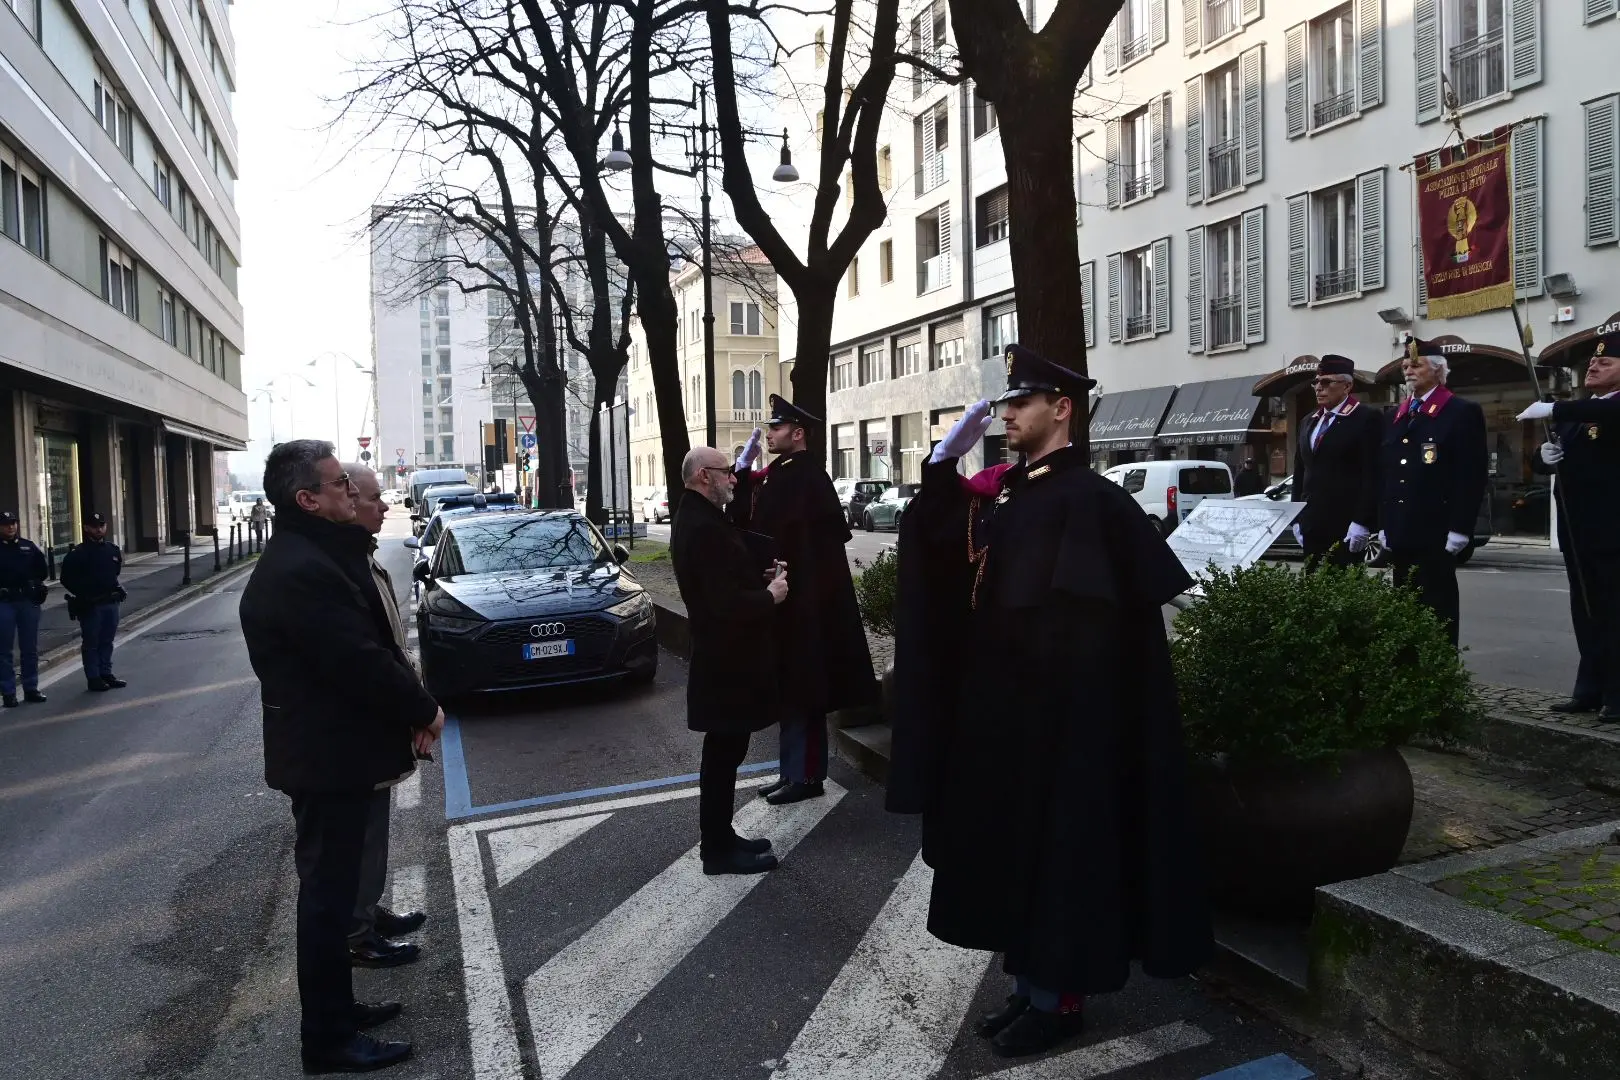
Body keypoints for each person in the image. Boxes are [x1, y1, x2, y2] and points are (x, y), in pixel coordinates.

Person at [888, 344, 1211, 1059]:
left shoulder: (1092, 501)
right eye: (1005, 403)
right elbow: (939, 549)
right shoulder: (1013, 494)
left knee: (1065, 856)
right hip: (1010, 720)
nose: (1006, 415)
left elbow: (1102, 635)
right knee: (1020, 853)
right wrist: (941, 466)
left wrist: (1068, 711)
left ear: (1061, 409)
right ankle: (1029, 983)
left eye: (1020, 403)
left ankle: (1059, 1001)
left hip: (1069, 725)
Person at [239, 440, 444, 1075]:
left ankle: (338, 1014)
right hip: (328, 760)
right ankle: (328, 1039)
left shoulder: (316, 554)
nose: (352, 492)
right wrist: (423, 710)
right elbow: (359, 660)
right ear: (307, 499)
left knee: (332, 899)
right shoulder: (302, 570)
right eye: (339, 485)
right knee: (327, 904)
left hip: (336, 754)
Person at [729, 394, 877, 805]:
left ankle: (807, 775)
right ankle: (791, 771)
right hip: (787, 597)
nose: (769, 434)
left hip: (806, 602)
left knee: (805, 689)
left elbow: (816, 544)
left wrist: (788, 572)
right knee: (791, 689)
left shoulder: (808, 476)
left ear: (797, 433)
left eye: (776, 428)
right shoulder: (780, 474)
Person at [669, 446, 791, 875]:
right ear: (704, 475)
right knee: (722, 758)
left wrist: (757, 579)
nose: (734, 478)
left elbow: (723, 581)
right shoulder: (701, 525)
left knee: (726, 755)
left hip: (726, 659)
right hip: (725, 663)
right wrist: (769, 596)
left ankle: (721, 837)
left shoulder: (702, 517)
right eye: (727, 471)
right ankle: (717, 851)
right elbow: (720, 605)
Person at [343, 464, 429, 967]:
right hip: (353, 735)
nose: (385, 506)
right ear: (348, 501)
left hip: (370, 729)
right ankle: (357, 933)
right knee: (360, 837)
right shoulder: (340, 565)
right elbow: (369, 658)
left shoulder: (361, 555)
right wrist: (420, 707)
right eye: (374, 498)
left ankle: (366, 912)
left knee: (373, 832)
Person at [1519, 329, 1620, 722]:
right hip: (1578, 532)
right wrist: (1543, 457)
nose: (1593, 367)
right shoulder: (1581, 412)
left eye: (1605, 362)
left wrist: (1554, 408)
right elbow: (1551, 458)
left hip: (1612, 532)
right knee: (1586, 612)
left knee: (1613, 613)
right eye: (1592, 362)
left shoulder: (1597, 410)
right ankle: (1589, 689)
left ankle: (1617, 695)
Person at [1379, 338, 1488, 648]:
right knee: (1405, 608)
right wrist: (1384, 522)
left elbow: (1471, 474)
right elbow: (1388, 473)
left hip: (1435, 529)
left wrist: (1461, 527)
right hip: (1402, 527)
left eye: (1416, 365)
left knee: (1437, 608)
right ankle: (1408, 670)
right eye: (1405, 366)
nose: (1408, 370)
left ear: (1439, 370)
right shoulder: (1398, 414)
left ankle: (1438, 671)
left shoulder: (1460, 411)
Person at [1290, 355, 1382, 567]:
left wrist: (1363, 521)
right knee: (1314, 582)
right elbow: (1300, 472)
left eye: (1326, 382)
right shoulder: (1308, 421)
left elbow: (1373, 473)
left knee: (1343, 582)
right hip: (1311, 523)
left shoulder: (1366, 418)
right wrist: (1296, 518)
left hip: (1345, 524)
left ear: (1347, 386)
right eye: (1316, 382)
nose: (1318, 388)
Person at [60, 513, 126, 693]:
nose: (99, 529)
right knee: (91, 642)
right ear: (86, 528)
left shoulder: (112, 549)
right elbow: (66, 579)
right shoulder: (78, 554)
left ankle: (106, 673)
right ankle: (94, 677)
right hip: (91, 605)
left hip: (110, 603)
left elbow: (115, 573)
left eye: (101, 525)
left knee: (107, 640)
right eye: (95, 526)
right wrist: (84, 594)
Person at [0, 511, 49, 707]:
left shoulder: (28, 547)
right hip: (4, 602)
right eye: (6, 524)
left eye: (13, 523)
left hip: (27, 601)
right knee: (4, 650)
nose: (10, 526)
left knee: (30, 648)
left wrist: (34, 584)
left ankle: (31, 688)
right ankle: (8, 692)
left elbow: (42, 570)